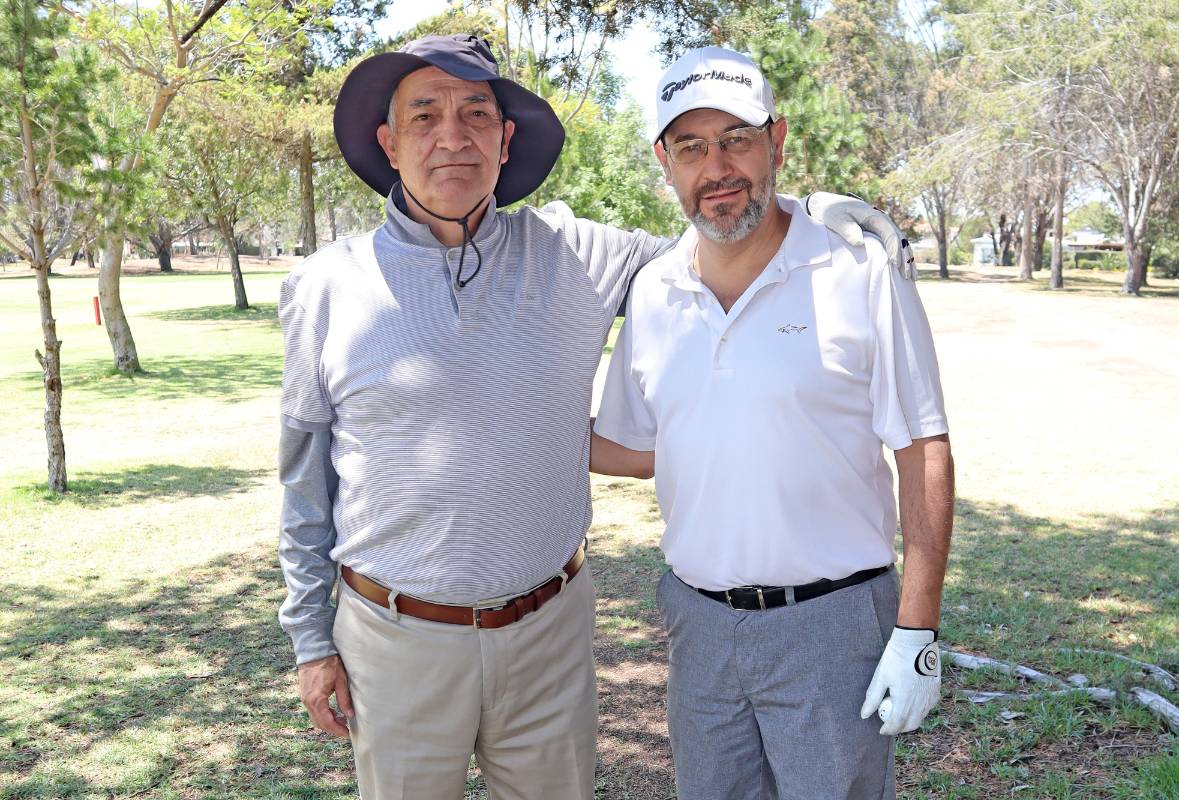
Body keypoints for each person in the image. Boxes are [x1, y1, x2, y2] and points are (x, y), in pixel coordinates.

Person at [277, 34, 912, 800]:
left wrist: (807, 209)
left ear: (506, 141)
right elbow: (303, 484)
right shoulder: (325, 286)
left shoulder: (574, 253)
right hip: (395, 638)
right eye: (425, 116)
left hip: (548, 636)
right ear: (388, 141)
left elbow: (716, 231)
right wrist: (313, 643)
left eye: (477, 114)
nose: (454, 137)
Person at [590, 46, 955, 800]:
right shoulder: (655, 291)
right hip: (700, 630)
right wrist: (500, 428)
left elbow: (922, 445)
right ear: (665, 163)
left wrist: (917, 634)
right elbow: (638, 445)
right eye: (692, 146)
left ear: (777, 143)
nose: (716, 165)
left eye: (737, 139)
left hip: (833, 628)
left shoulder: (858, 270)